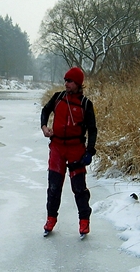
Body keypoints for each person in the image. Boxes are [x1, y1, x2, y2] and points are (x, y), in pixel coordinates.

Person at [40, 66, 97, 237]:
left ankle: (84, 221)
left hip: (75, 150)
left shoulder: (86, 104)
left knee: (79, 188)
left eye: (70, 81)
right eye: (65, 80)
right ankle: (51, 218)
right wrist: (44, 127)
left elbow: (92, 129)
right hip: (57, 148)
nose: (66, 84)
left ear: (78, 83)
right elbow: (45, 111)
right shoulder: (58, 97)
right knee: (54, 187)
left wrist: (90, 151)